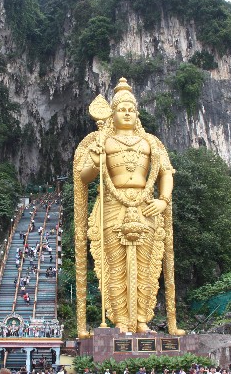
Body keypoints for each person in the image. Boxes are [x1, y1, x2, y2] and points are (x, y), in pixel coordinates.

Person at [74, 78, 183, 336]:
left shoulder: (151, 143)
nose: (126, 113)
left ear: (137, 113)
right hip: (113, 205)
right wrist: (96, 159)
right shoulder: (102, 141)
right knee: (114, 265)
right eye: (121, 108)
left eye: (130, 109)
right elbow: (83, 176)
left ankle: (142, 320)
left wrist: (163, 200)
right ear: (112, 112)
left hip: (146, 206)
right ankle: (121, 321)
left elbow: (166, 172)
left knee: (147, 265)